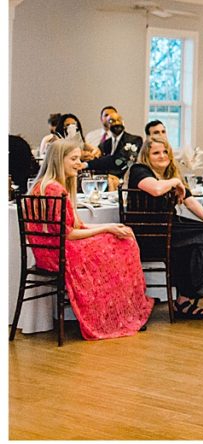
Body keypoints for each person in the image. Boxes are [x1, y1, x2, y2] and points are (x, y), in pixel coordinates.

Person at [27, 137, 153, 340]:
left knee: (118, 238)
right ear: (60, 160)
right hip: (60, 252)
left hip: (50, 250)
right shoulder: (54, 189)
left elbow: (75, 227)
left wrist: (109, 227)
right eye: (74, 159)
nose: (79, 163)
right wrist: (108, 229)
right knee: (123, 245)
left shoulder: (45, 185)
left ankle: (120, 310)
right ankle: (117, 314)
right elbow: (69, 233)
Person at [127, 136, 203, 320]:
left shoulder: (171, 174)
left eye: (165, 151)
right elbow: (156, 189)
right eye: (156, 153)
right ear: (146, 156)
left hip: (169, 229)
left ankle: (187, 298)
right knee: (198, 237)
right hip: (148, 233)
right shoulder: (139, 170)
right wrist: (175, 183)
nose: (162, 156)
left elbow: (190, 202)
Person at [84, 112, 142, 177]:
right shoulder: (104, 144)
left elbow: (118, 161)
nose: (116, 123)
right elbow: (98, 160)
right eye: (112, 121)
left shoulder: (134, 140)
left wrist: (87, 164)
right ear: (107, 125)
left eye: (119, 120)